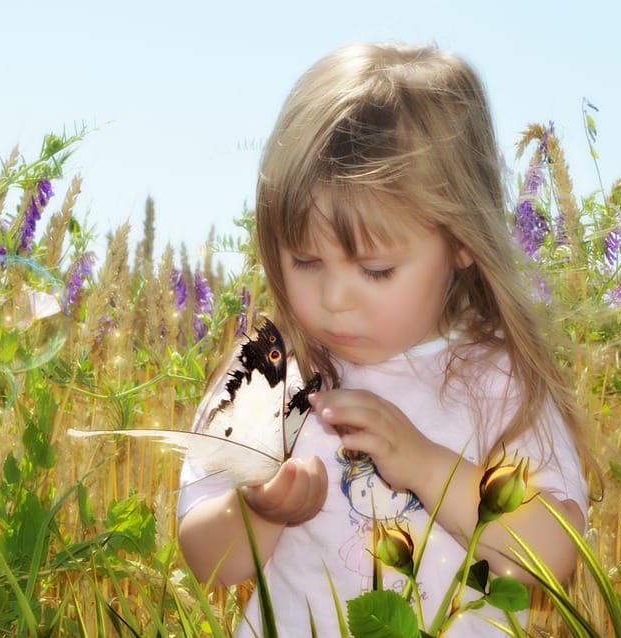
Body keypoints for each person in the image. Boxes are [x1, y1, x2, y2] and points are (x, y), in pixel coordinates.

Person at [177, 42, 589, 636]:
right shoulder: (270, 377)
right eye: (305, 260)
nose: (335, 297)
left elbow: (553, 556)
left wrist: (426, 466)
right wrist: (261, 511)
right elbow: (205, 558)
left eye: (375, 270)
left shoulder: (498, 380)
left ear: (461, 240)